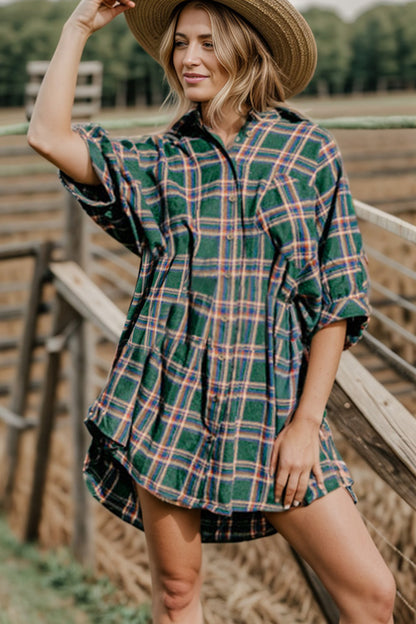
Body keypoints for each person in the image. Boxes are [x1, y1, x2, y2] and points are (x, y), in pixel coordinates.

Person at [28, 0, 396, 622]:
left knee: (371, 593)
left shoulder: (307, 152)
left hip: (271, 405)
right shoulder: (161, 160)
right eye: (180, 44)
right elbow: (48, 135)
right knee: (177, 594)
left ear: (247, 49)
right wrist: (79, 27)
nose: (190, 58)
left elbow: (335, 300)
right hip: (168, 402)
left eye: (208, 43)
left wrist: (306, 424)